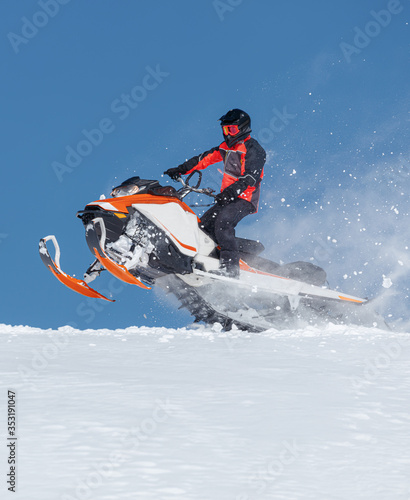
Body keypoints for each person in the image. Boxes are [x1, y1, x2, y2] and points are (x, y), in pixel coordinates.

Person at [164, 108, 266, 278]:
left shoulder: (253, 148)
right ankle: (206, 261)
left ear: (243, 129)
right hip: (228, 198)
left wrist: (231, 192)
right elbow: (203, 159)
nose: (227, 134)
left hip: (244, 199)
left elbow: (250, 178)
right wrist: (181, 169)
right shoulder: (224, 148)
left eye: (231, 130)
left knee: (223, 223)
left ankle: (230, 269)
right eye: (225, 130)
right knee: (203, 227)